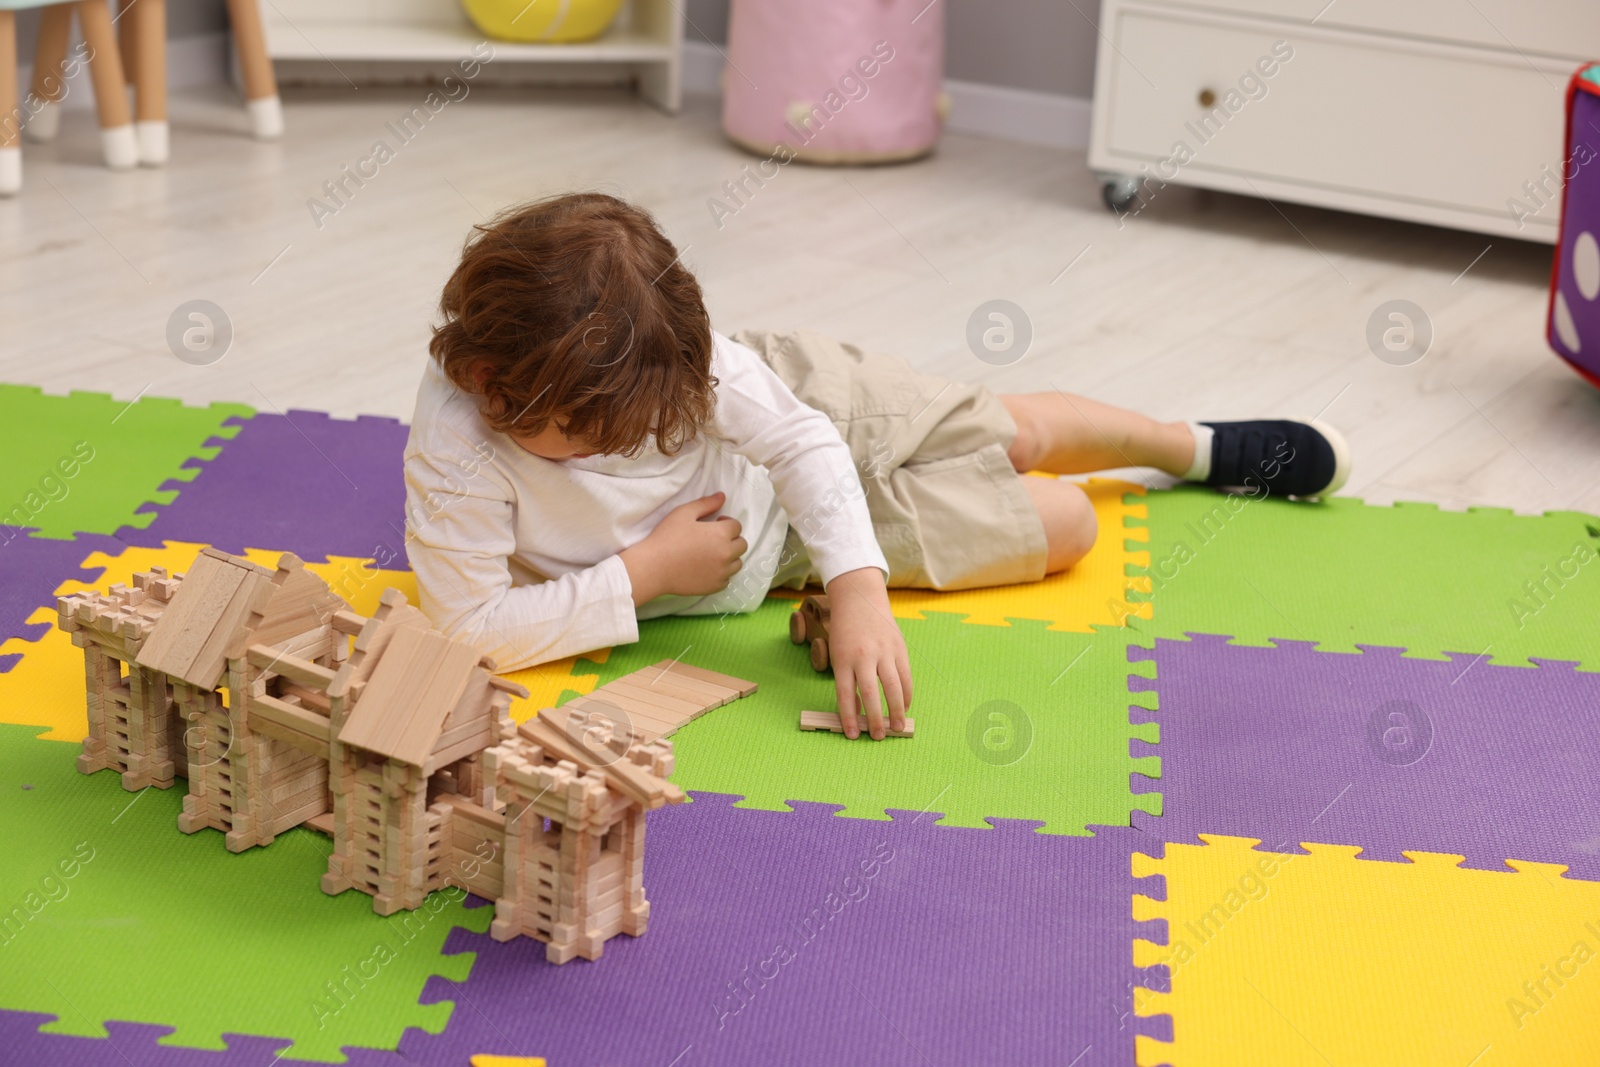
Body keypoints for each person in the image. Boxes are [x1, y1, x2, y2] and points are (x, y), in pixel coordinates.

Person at [404, 193, 1350, 740]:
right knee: (1071, 525)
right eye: (604, 438)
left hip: (814, 405)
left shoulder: (677, 361)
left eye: (654, 426)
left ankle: (1188, 446)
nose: (635, 447)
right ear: (493, 388)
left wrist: (861, 591)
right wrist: (644, 574)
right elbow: (467, 626)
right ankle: (1142, 465)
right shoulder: (460, 449)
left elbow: (801, 439)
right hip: (768, 558)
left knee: (1009, 433)